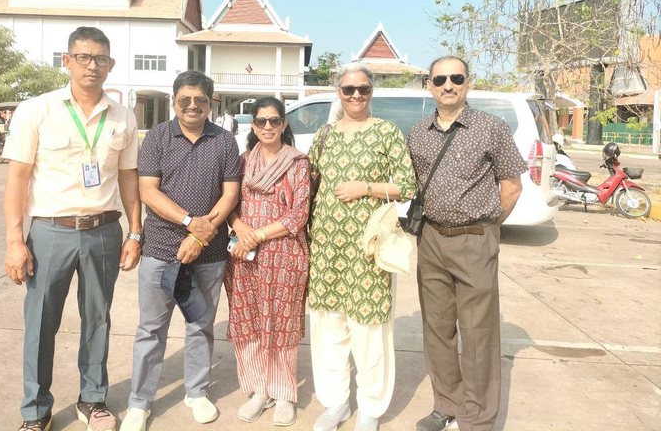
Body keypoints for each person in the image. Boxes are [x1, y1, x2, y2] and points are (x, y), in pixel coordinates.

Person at [2, 26, 142, 431]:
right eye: (83, 57)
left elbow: (129, 178)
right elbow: (17, 180)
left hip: (104, 231)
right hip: (50, 232)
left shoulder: (123, 116)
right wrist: (15, 242)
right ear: (67, 61)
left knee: (98, 318)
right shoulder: (37, 110)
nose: (92, 65)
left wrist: (135, 232)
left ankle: (93, 399)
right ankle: (35, 411)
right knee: (41, 321)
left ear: (111, 65)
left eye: (100, 58)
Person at [406, 56, 526, 431]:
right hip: (431, 240)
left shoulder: (491, 127)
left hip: (475, 240)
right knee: (437, 328)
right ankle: (448, 404)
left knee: (478, 333)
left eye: (456, 78)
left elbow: (512, 186)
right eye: (440, 79)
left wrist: (486, 227)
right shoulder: (418, 132)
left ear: (468, 84)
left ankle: (477, 417)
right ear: (429, 85)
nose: (448, 84)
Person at [122, 70, 241, 431]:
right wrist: (191, 223)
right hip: (160, 248)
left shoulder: (224, 141)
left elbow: (230, 194)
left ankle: (196, 391)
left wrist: (202, 235)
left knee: (201, 325)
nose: (193, 106)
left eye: (200, 100)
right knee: (151, 329)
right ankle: (140, 402)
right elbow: (148, 192)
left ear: (211, 102)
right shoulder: (157, 137)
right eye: (185, 99)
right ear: (174, 101)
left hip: (209, 253)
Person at [307, 63, 417, 431]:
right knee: (329, 328)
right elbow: (308, 182)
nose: (356, 96)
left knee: (369, 328)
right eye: (349, 89)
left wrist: (365, 188)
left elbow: (408, 186)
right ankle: (335, 402)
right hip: (326, 245)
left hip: (367, 246)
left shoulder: (386, 133)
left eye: (363, 89)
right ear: (338, 92)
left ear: (372, 92)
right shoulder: (324, 136)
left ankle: (370, 407)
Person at [224, 97, 311, 426]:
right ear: (253, 125)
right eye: (261, 121)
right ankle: (261, 389)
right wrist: (240, 227)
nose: (268, 127)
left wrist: (257, 235)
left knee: (281, 324)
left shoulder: (297, 163)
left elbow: (298, 214)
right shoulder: (244, 161)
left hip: (284, 255)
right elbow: (229, 201)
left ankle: (285, 393)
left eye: (274, 121)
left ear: (284, 124)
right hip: (244, 255)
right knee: (254, 322)